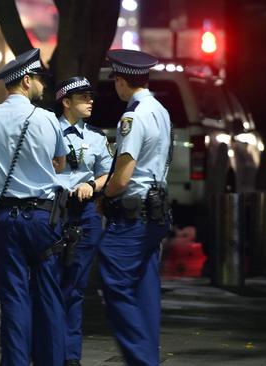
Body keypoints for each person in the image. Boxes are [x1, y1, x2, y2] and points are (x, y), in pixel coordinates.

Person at [0, 48, 68, 366]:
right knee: (49, 298)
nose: (43, 85)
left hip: (4, 220)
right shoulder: (47, 119)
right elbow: (60, 162)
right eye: (40, 78)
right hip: (43, 218)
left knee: (13, 299)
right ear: (26, 80)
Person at [99, 49, 172, 366]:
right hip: (157, 213)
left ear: (120, 80)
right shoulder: (160, 110)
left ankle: (141, 360)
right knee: (145, 287)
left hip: (132, 217)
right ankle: (149, 355)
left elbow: (122, 177)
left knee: (114, 281)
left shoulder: (133, 116)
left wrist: (102, 197)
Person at [54, 76, 113, 366]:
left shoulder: (96, 137)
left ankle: (70, 356)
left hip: (85, 213)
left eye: (91, 97)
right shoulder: (48, 131)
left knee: (75, 288)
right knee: (48, 284)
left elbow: (107, 173)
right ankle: (46, 349)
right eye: (83, 98)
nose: (90, 102)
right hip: (53, 211)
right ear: (66, 102)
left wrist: (92, 183)